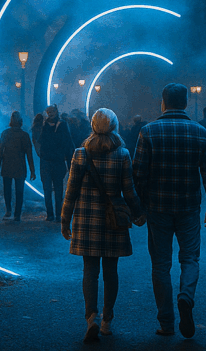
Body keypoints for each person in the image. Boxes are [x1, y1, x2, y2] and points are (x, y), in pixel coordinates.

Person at [132, 83, 206, 339]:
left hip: (157, 207)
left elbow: (138, 174)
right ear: (184, 103)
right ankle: (186, 297)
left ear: (163, 102)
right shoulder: (199, 132)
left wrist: (139, 207)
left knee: (160, 264)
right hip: (189, 207)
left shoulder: (148, 132)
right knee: (190, 258)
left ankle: (166, 323)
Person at [61, 108, 144, 343]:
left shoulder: (80, 154)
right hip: (113, 222)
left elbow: (71, 191)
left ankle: (91, 318)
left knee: (90, 271)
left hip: (87, 221)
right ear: (115, 126)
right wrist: (138, 214)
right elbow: (129, 191)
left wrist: (65, 220)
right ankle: (107, 320)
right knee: (111, 272)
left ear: (92, 126)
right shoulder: (123, 154)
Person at [0, 111, 36, 221]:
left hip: (7, 166)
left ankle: (9, 211)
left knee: (7, 190)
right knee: (19, 191)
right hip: (20, 167)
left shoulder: (5, 133)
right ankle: (17, 214)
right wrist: (32, 170)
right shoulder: (24, 135)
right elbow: (29, 155)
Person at [39, 105, 75, 222]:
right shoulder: (50, 125)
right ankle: (53, 214)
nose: (51, 113)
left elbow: (68, 143)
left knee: (54, 188)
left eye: (52, 111)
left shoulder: (56, 125)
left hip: (53, 160)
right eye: (49, 111)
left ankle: (56, 214)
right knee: (51, 189)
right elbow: (68, 143)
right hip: (52, 160)